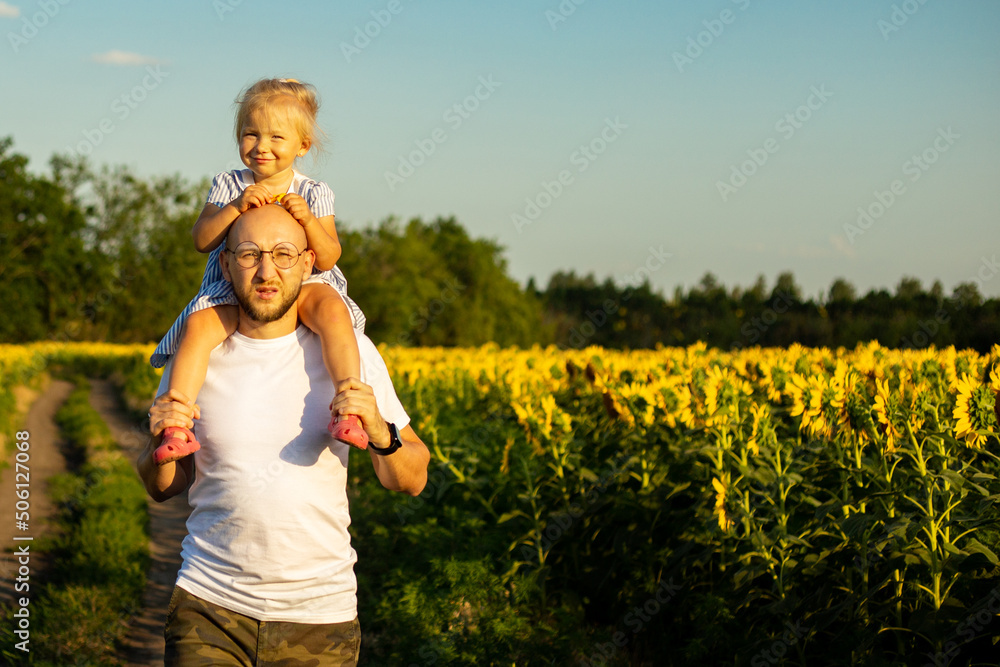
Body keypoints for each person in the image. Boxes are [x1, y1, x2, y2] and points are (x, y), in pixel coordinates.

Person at [138, 204, 429, 666]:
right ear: (227, 263)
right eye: (250, 254)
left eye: (283, 254)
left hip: (320, 618)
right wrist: (158, 448)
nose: (266, 271)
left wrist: (380, 432)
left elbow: (411, 478)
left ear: (309, 263)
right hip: (209, 605)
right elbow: (164, 488)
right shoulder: (198, 353)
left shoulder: (351, 355)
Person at [149, 77, 370, 464]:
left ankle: (349, 406)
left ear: (302, 145)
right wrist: (234, 207)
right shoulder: (229, 184)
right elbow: (202, 238)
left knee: (334, 313)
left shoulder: (314, 191)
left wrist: (309, 222)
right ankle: (178, 422)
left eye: (276, 138)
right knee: (199, 327)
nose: (261, 147)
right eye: (251, 134)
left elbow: (329, 255)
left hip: (305, 280)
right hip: (235, 284)